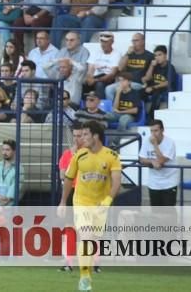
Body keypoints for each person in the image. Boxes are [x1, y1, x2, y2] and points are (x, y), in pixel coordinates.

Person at [58, 120, 121, 292]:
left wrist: (108, 200)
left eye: (85, 134)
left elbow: (116, 182)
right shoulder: (79, 156)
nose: (81, 138)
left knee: (93, 239)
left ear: (96, 136)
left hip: (100, 204)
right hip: (81, 202)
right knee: (85, 235)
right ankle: (85, 277)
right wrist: (63, 201)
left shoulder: (112, 156)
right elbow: (68, 179)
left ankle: (89, 269)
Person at [137, 119, 179, 207]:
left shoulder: (170, 143)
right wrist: (151, 161)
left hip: (169, 182)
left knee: (168, 212)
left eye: (156, 131)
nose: (153, 134)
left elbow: (161, 161)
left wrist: (155, 145)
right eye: (151, 131)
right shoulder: (146, 141)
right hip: (154, 183)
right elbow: (141, 158)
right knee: (156, 213)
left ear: (162, 130)